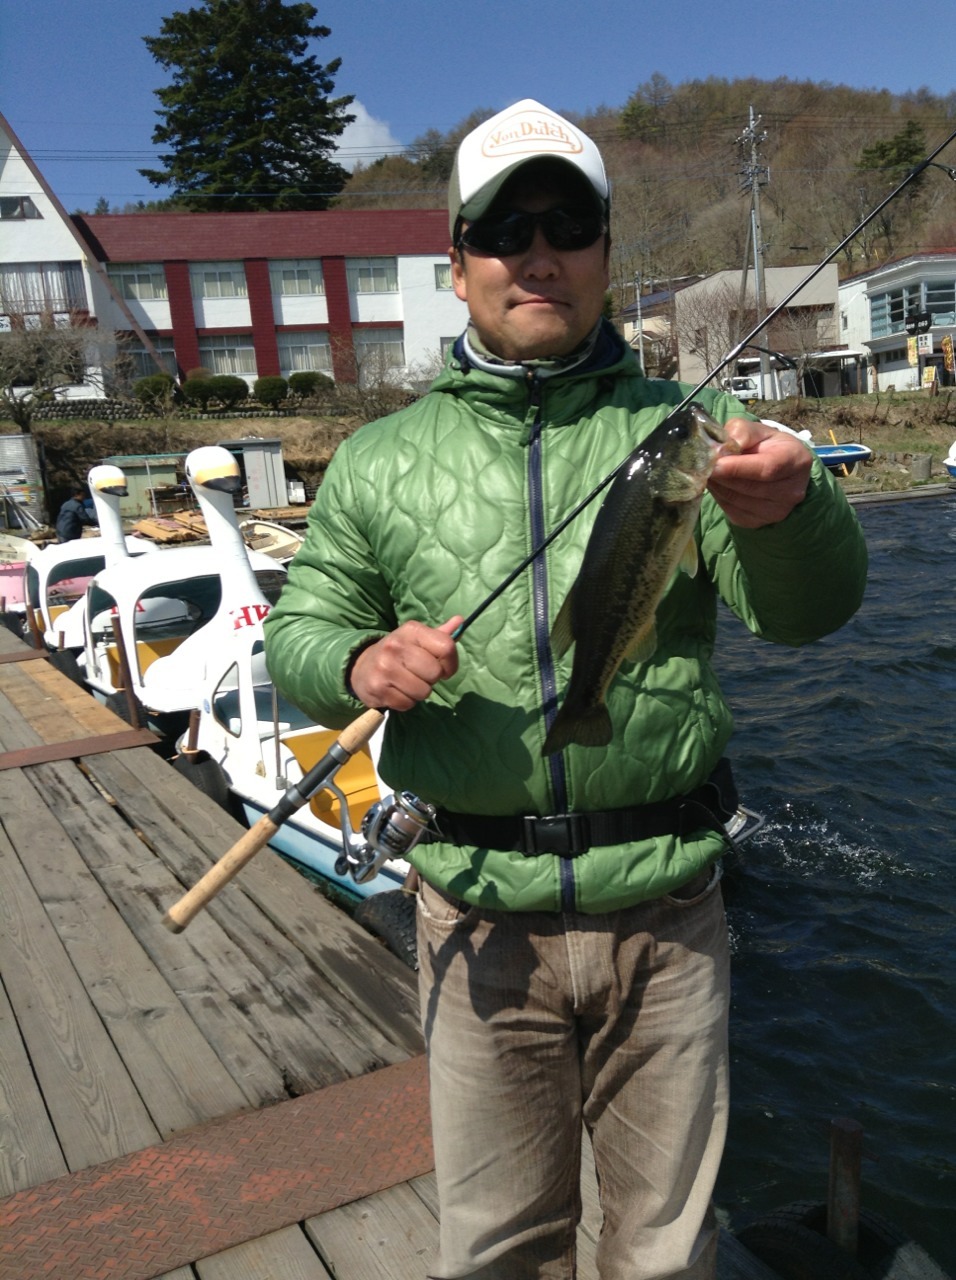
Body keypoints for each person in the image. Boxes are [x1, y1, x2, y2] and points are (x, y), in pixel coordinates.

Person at [264, 99, 867, 1280]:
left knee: (663, 1250)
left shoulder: (694, 427)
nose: (536, 252)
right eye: (502, 227)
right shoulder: (380, 461)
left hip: (670, 916)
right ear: (457, 265)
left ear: (602, 252)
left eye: (567, 222)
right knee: (497, 1249)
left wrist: (795, 516)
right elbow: (300, 628)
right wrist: (354, 664)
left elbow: (804, 612)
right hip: (476, 913)